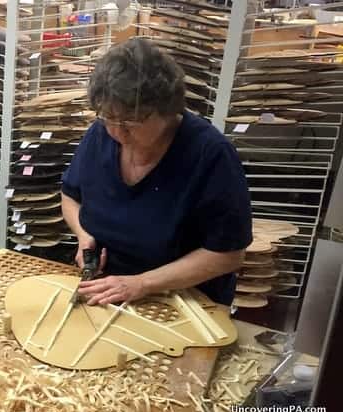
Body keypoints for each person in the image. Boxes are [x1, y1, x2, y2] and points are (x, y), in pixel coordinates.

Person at [61, 38, 252, 307]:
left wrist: (141, 283)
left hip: (182, 301)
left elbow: (228, 254)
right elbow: (70, 196)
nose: (117, 131)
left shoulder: (210, 155)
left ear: (167, 110)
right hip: (106, 290)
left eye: (130, 121)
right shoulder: (99, 136)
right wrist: (84, 235)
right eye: (108, 118)